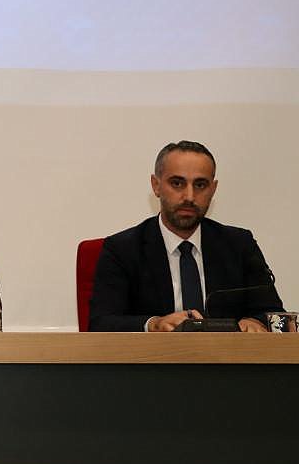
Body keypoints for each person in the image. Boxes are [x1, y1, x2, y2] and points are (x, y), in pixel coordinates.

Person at [89, 141, 283, 332]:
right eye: (177, 183)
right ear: (156, 185)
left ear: (213, 189)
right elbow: (101, 323)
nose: (189, 196)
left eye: (200, 185)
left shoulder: (239, 245)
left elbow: (275, 316)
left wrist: (256, 322)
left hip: (225, 353)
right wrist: (153, 324)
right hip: (156, 354)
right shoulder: (122, 249)